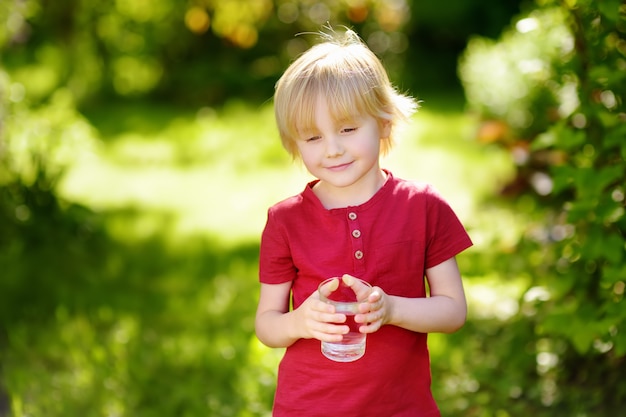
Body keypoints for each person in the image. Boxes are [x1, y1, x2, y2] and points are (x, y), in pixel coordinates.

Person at [255, 26, 473, 417]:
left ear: (384, 123)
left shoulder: (422, 206)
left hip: (401, 406)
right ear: (294, 142)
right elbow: (267, 325)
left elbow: (453, 310)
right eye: (312, 138)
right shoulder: (285, 220)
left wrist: (392, 310)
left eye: (348, 129)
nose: (333, 149)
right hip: (308, 406)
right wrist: (300, 321)